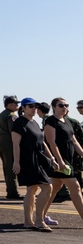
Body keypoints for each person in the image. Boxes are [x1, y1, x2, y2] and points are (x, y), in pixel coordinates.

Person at [12, 97, 57, 231]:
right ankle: (39, 221)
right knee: (47, 187)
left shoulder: (35, 123)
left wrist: (52, 158)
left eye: (35, 106)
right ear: (23, 108)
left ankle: (28, 221)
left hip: (39, 159)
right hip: (28, 160)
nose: (34, 108)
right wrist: (16, 162)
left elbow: (42, 142)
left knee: (32, 190)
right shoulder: (19, 122)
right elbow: (15, 144)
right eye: (30, 106)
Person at [39, 98, 83, 226]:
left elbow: (74, 141)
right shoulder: (51, 121)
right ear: (54, 107)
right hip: (59, 161)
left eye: (66, 105)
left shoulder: (67, 122)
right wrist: (59, 161)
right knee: (75, 188)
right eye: (61, 105)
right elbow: (51, 142)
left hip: (67, 160)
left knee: (54, 188)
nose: (64, 107)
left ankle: (41, 216)